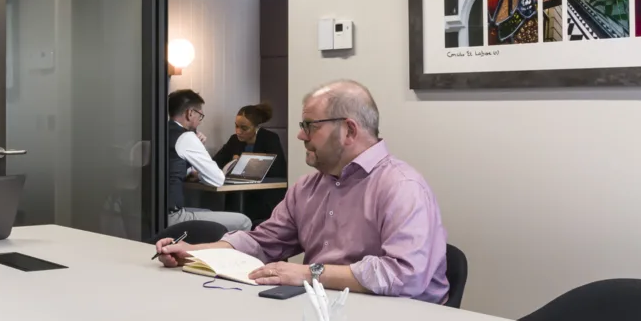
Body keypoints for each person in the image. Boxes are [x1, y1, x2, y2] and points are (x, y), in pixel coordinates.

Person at [155, 80, 449, 301]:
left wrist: (310, 274)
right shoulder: (308, 187)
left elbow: (406, 277)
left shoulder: (401, 187)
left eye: (309, 125)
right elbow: (263, 242)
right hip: (324, 312)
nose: (299, 135)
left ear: (349, 130)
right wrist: (195, 253)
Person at [165, 89, 253, 233]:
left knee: (206, 211)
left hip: (150, 215)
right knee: (244, 221)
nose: (200, 120)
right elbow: (217, 180)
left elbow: (170, 165)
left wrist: (189, 170)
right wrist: (197, 147)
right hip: (171, 217)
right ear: (190, 113)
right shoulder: (187, 137)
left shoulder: (160, 131)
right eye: (200, 115)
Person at [211, 103, 285, 178]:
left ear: (256, 127)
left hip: (264, 187)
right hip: (238, 187)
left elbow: (278, 171)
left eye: (244, 128)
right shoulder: (234, 140)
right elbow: (215, 163)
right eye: (236, 126)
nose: (238, 132)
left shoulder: (270, 138)